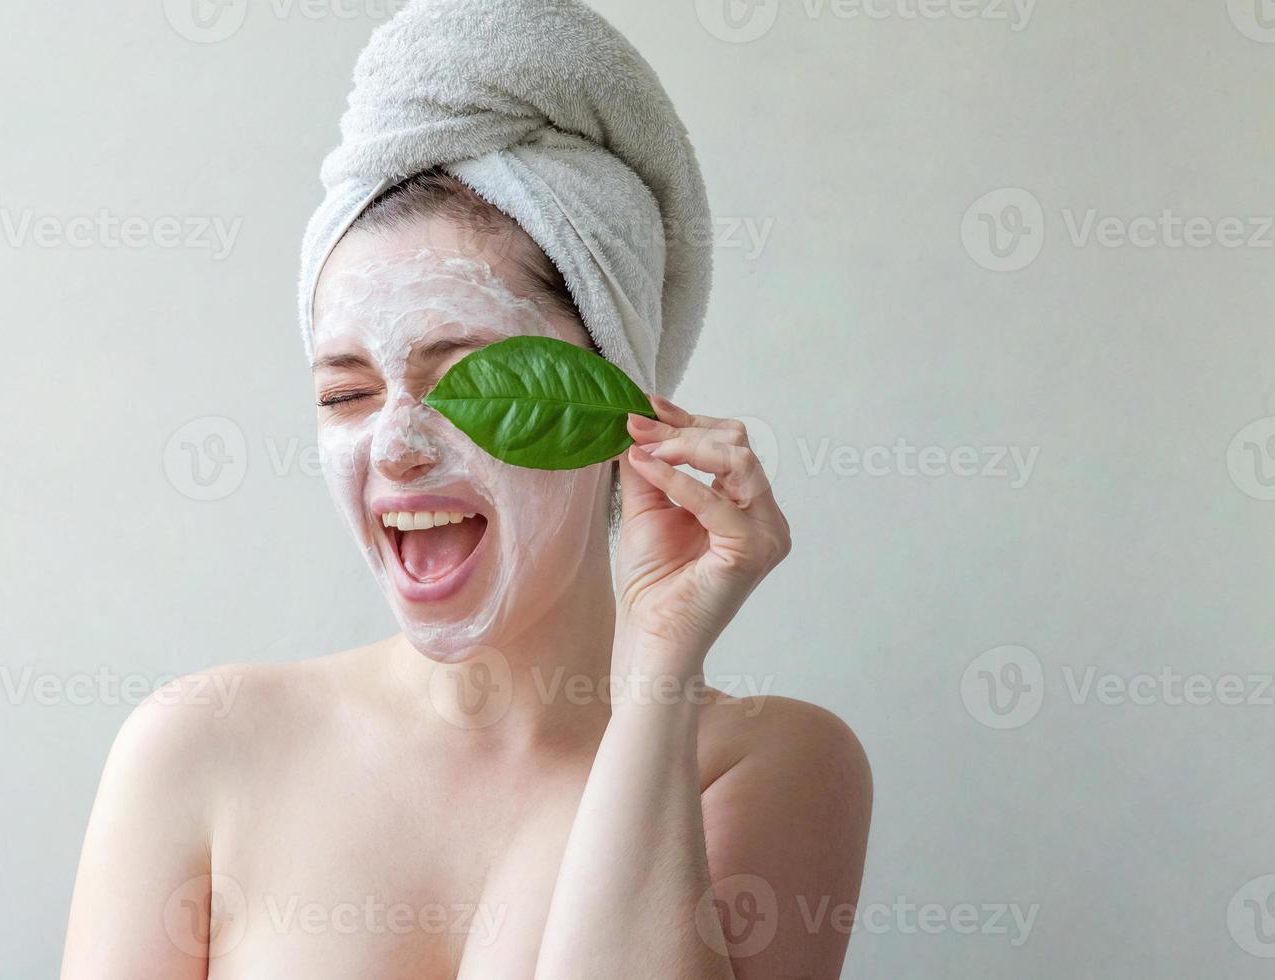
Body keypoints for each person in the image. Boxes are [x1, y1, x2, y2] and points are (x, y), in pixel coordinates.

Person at [62, 3, 871, 978]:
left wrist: (655, 676)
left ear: (609, 399)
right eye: (346, 393)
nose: (395, 446)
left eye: (467, 382)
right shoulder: (198, 749)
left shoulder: (763, 761)